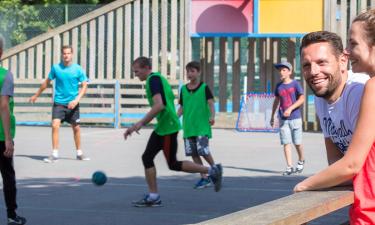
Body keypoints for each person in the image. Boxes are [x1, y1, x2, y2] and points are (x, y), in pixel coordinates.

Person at [294, 11, 375, 224]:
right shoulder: (322, 96)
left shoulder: (363, 90)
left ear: (342, 61)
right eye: (306, 65)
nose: (313, 72)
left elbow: (351, 165)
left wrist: (304, 185)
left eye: (322, 62)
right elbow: (336, 161)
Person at [124, 57, 222, 207]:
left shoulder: (153, 80)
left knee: (173, 163)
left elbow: (160, 105)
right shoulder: (158, 80)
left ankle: (211, 170)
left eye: (136, 71)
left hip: (168, 128)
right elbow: (167, 104)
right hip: (164, 126)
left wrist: (140, 123)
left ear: (145, 68)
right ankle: (153, 196)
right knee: (147, 157)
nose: (136, 74)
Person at [29, 45, 90, 163]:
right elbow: (46, 82)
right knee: (55, 125)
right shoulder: (56, 68)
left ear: (72, 55)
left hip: (73, 104)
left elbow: (84, 85)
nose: (66, 55)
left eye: (68, 53)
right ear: (62, 55)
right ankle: (55, 154)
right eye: (64, 53)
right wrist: (36, 95)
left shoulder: (78, 69)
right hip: (59, 103)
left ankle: (79, 153)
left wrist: (77, 100)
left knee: (76, 128)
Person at [0, 35, 27, 225]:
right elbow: (3, 106)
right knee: (8, 176)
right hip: (1, 135)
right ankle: (11, 215)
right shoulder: (5, 75)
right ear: (1, 51)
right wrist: (8, 138)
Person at [177, 61, 217, 189]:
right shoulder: (183, 89)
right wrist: (173, 118)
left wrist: (212, 116)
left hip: (201, 127)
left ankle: (215, 171)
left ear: (198, 72)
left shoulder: (204, 87)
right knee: (193, 154)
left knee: (204, 151)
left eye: (192, 71)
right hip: (188, 127)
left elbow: (211, 104)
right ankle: (204, 178)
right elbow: (182, 107)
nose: (189, 73)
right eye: (188, 71)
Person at [270, 61, 305, 175]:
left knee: (297, 143)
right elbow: (276, 101)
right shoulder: (278, 86)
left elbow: (302, 99)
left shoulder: (295, 84)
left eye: (284, 70)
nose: (281, 72)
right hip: (283, 119)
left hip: (295, 118)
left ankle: (301, 160)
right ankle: (289, 167)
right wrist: (272, 116)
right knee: (286, 143)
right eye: (280, 70)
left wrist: (290, 109)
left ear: (290, 72)